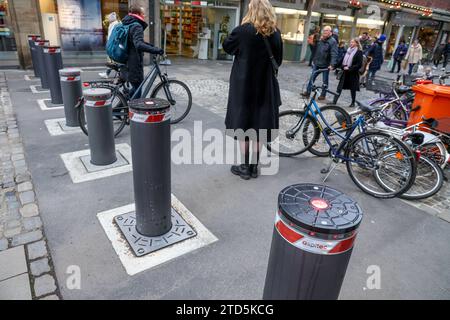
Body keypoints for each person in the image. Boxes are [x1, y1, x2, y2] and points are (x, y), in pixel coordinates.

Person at [223, 0, 282, 180]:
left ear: (251, 11)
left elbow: (227, 46)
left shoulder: (242, 31)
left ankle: (244, 167)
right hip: (265, 87)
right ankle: (254, 167)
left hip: (244, 87)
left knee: (243, 124)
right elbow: (278, 61)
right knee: (259, 126)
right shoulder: (275, 33)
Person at [121, 5, 164, 98]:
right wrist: (155, 50)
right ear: (137, 14)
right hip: (134, 63)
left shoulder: (129, 23)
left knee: (135, 88)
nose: (144, 15)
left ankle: (121, 106)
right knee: (138, 92)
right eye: (143, 13)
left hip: (127, 60)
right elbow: (138, 44)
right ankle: (134, 110)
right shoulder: (137, 26)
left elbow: (136, 41)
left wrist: (151, 47)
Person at [301, 26, 338, 101]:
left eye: (326, 31)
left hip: (326, 65)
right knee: (312, 78)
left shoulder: (333, 41)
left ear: (330, 32)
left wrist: (332, 64)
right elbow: (316, 50)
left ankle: (323, 95)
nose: (324, 32)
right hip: (317, 63)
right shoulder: (320, 39)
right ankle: (308, 92)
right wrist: (314, 60)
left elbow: (334, 54)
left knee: (325, 81)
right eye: (324, 30)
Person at [335, 38, 363, 108]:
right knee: (339, 87)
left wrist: (349, 68)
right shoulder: (348, 51)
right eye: (350, 42)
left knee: (353, 89)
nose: (351, 43)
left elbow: (359, 64)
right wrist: (334, 66)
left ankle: (353, 102)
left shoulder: (359, 52)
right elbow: (341, 60)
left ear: (357, 43)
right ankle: (334, 101)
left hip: (353, 73)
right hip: (345, 72)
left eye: (352, 42)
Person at [99, 12, 120, 79]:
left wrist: (110, 45)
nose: (108, 19)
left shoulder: (115, 24)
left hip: (113, 45)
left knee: (111, 60)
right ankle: (118, 73)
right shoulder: (114, 23)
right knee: (113, 61)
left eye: (109, 18)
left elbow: (112, 36)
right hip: (113, 45)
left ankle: (107, 74)